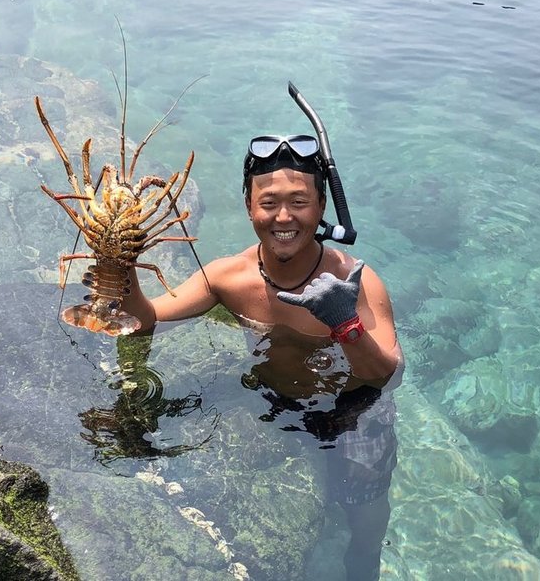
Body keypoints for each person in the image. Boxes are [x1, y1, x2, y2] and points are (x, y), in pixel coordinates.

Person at [114, 120, 403, 580]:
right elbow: (144, 319)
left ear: (321, 206)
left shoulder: (356, 282)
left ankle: (363, 564)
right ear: (249, 206)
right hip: (274, 402)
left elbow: (385, 375)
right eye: (269, 203)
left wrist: (344, 323)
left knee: (364, 515)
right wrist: (120, 262)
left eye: (299, 202)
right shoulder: (229, 278)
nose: (283, 218)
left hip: (354, 410)